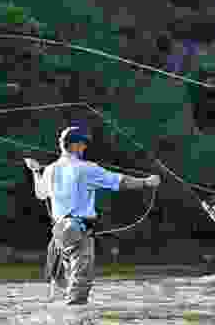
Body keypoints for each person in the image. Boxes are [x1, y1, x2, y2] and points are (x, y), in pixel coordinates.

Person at [24, 126, 161, 305]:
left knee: (59, 287)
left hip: (58, 234)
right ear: (73, 146)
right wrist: (147, 182)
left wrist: (35, 171)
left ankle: (58, 318)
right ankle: (74, 320)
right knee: (80, 286)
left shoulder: (49, 170)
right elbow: (120, 182)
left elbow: (41, 194)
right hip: (78, 230)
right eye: (82, 144)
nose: (84, 148)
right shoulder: (86, 169)